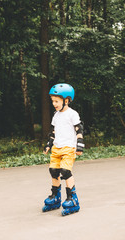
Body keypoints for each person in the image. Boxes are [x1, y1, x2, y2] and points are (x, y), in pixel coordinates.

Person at [42, 83, 84, 216]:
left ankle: (72, 199)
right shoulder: (56, 115)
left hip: (68, 148)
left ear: (66, 100)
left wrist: (80, 145)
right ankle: (55, 197)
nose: (54, 103)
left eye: (57, 101)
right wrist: (49, 144)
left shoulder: (72, 114)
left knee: (65, 172)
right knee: (53, 171)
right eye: (52, 101)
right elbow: (53, 132)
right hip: (57, 148)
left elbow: (79, 130)